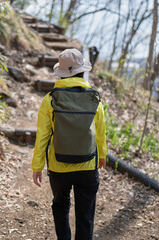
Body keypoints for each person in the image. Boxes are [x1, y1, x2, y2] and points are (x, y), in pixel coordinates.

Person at [31, 48, 107, 240]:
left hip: (59, 166)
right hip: (88, 165)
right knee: (85, 214)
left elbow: (42, 136)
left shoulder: (50, 99)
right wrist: (103, 155)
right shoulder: (94, 99)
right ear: (82, 71)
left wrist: (37, 166)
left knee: (60, 206)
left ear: (62, 73)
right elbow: (100, 132)